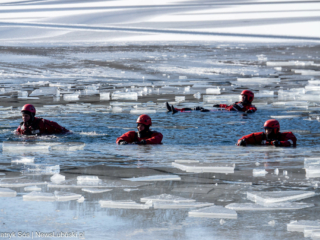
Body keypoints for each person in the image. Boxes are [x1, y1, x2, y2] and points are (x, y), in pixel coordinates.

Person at [166, 90, 257, 114]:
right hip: (224, 110)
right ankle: (176, 110)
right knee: (198, 108)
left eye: (244, 97)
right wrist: (219, 105)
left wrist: (250, 111)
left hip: (225, 113)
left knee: (202, 110)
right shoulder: (238, 103)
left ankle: (178, 111)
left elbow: (253, 109)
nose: (242, 99)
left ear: (249, 98)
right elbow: (227, 105)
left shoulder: (249, 107)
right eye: (242, 97)